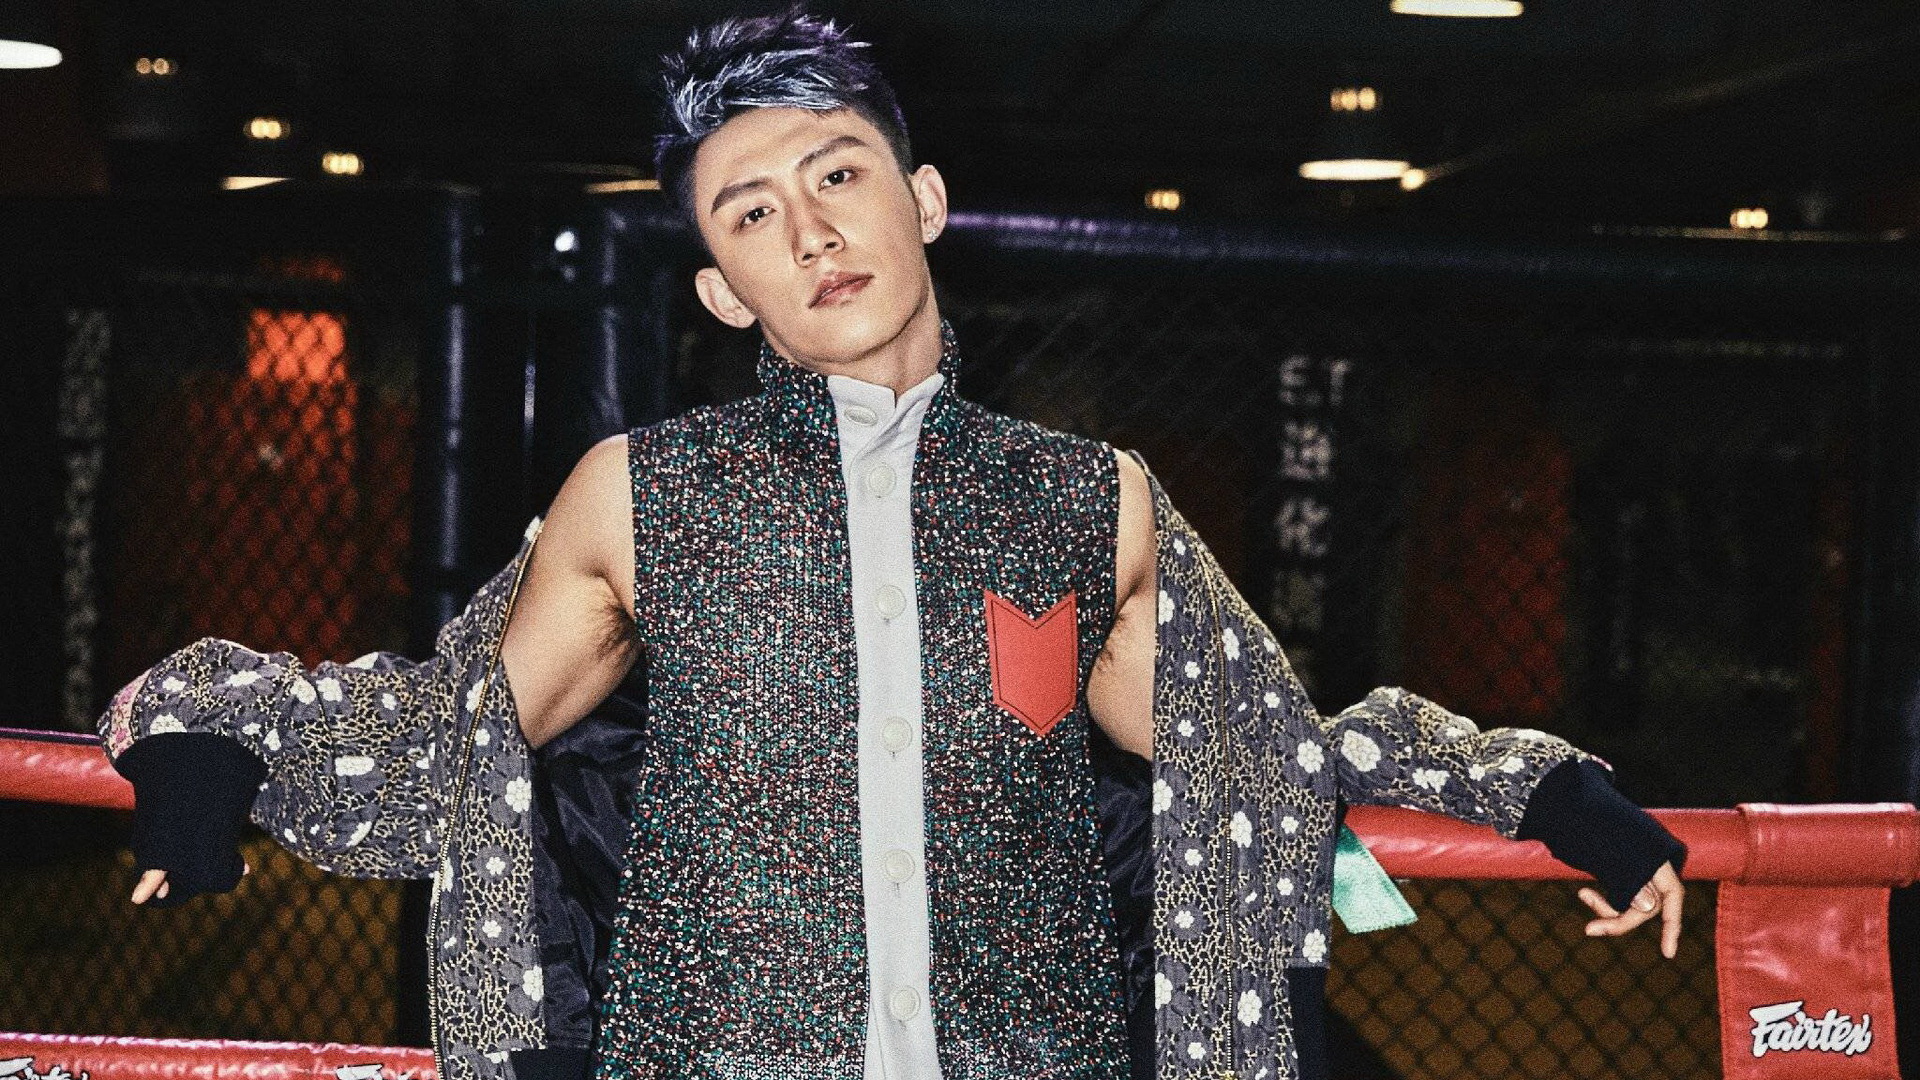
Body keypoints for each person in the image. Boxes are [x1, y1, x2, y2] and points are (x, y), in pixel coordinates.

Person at [101, 9, 1686, 1080]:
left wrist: (1543, 792)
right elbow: (452, 728)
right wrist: (213, 741)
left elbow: (1253, 748)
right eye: (749, 213)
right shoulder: (641, 493)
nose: (809, 230)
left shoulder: (1091, 496)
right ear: (722, 290)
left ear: (920, 198)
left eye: (839, 174)